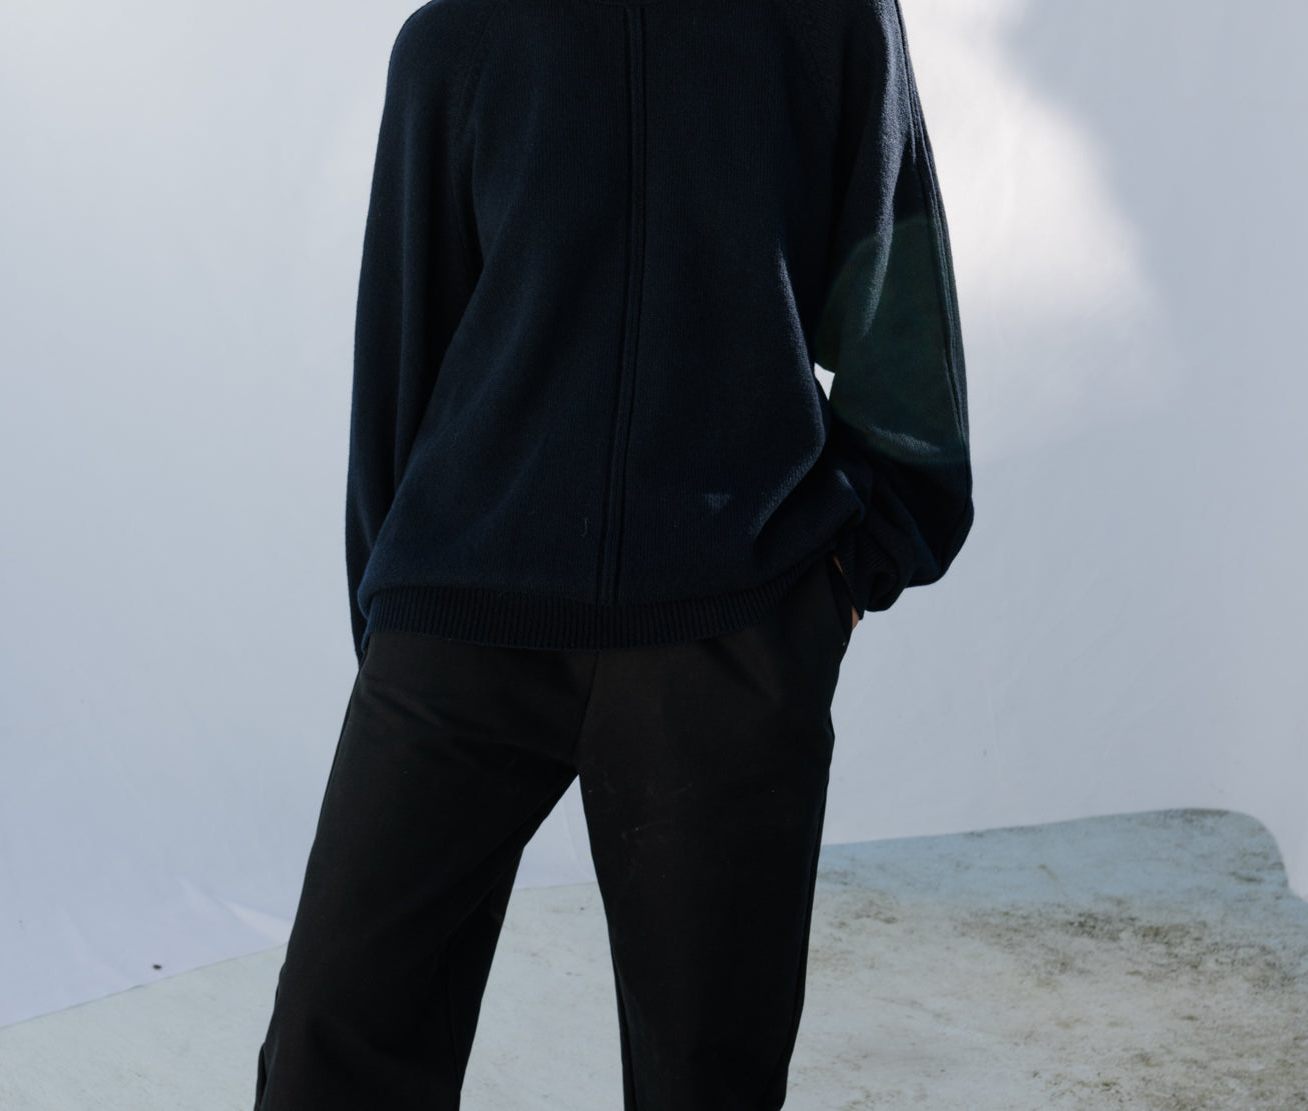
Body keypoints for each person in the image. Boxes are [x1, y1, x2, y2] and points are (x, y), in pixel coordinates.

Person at [255, 0, 972, 1105]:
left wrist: (836, 582)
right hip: (462, 620)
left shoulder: (827, 21)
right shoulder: (457, 39)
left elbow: (899, 311)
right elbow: (403, 357)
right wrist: (392, 612)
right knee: (330, 1056)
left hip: (728, 625)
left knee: (706, 1078)